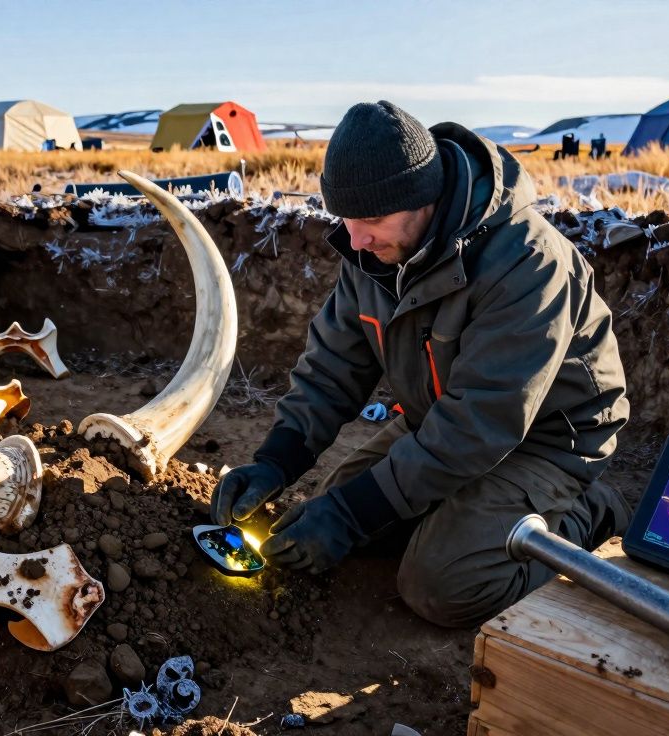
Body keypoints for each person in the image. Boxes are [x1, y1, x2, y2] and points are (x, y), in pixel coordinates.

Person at [211, 101, 631, 627]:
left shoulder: (529, 264)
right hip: (437, 421)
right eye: (346, 217)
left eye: (373, 220)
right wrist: (276, 460)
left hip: (546, 442)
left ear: (423, 199)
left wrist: (352, 514)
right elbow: (332, 368)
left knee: (442, 585)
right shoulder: (373, 254)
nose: (355, 238)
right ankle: (451, 513)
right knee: (324, 515)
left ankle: (588, 514)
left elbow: (480, 424)